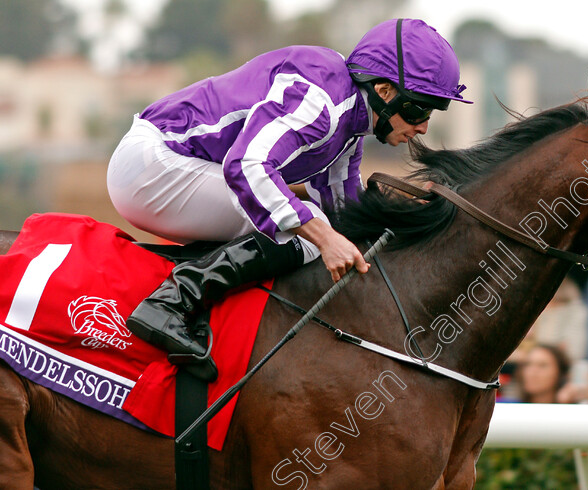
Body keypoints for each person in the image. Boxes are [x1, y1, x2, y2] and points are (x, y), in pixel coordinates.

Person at [106, 19, 471, 380]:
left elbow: (348, 213)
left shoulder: (349, 126)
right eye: (419, 109)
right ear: (385, 91)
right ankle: (172, 300)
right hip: (150, 165)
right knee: (311, 228)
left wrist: (410, 224)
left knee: (317, 224)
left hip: (170, 168)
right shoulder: (322, 102)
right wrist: (325, 238)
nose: (423, 126)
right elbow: (247, 164)